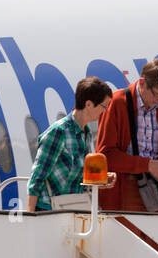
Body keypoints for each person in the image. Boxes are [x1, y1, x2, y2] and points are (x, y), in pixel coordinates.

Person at [95, 57, 158, 213]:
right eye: (157, 95)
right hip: (123, 193)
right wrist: (149, 165)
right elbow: (105, 156)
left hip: (157, 193)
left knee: (156, 238)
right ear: (142, 83)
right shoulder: (117, 103)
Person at [26, 77, 113, 212]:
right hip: (49, 210)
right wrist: (30, 216)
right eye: (104, 106)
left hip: (72, 206)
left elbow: (77, 176)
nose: (105, 111)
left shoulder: (86, 133)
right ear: (89, 104)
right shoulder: (58, 132)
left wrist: (100, 179)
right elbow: (37, 176)